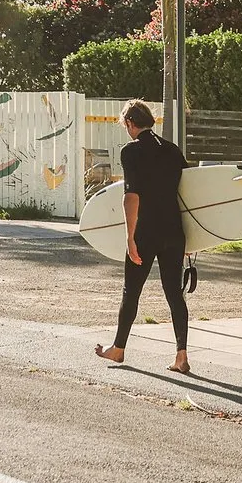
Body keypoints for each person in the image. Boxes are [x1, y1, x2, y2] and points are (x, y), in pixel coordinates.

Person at [95, 99, 191, 374]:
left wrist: (129, 237)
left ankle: (118, 348)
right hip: (174, 230)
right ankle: (181, 356)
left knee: (131, 290)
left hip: (146, 232)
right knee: (174, 293)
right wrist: (192, 238)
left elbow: (131, 196)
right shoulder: (173, 151)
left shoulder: (131, 152)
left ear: (129, 123)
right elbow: (189, 196)